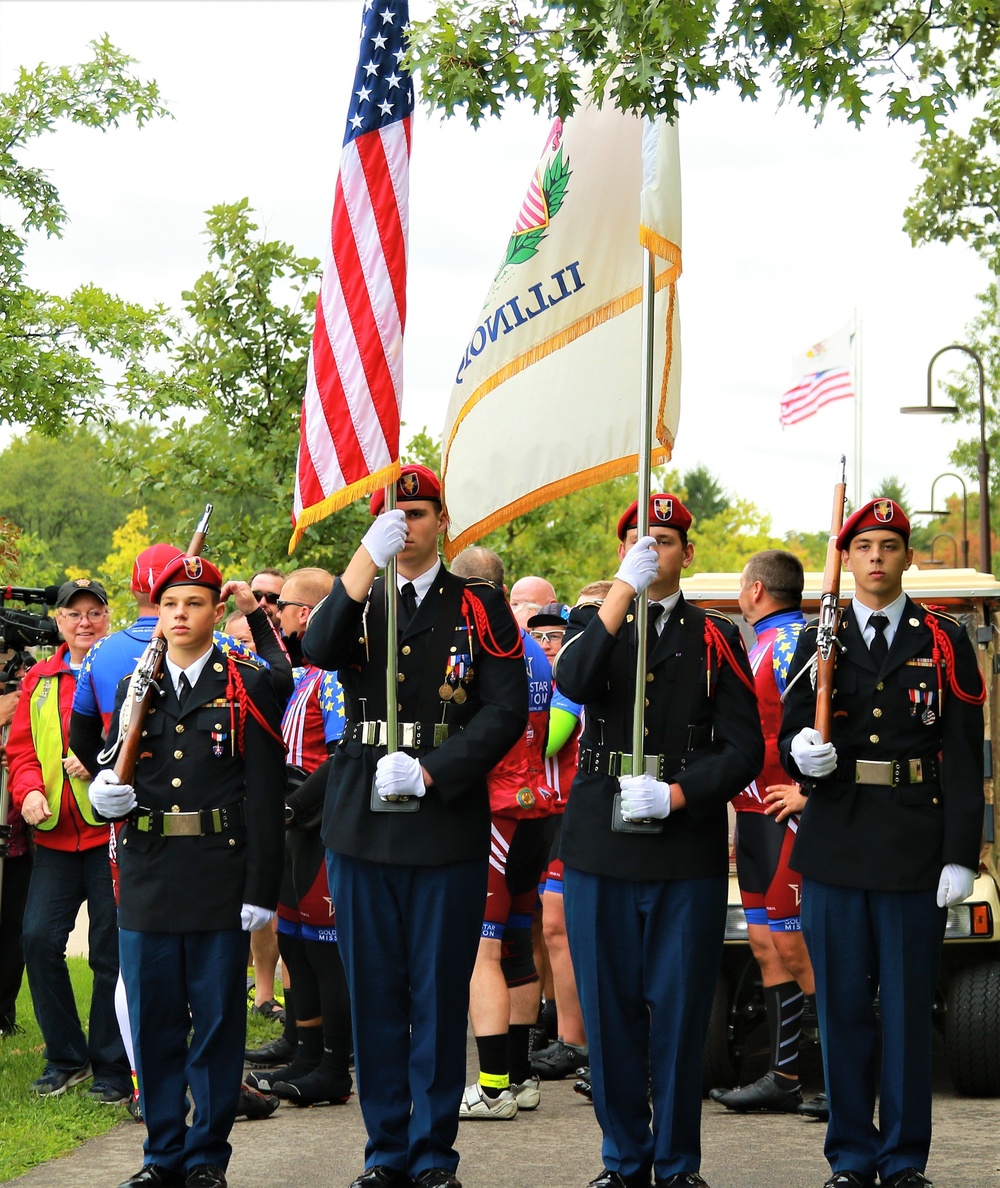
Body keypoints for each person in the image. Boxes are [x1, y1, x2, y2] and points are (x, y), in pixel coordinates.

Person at [303, 464, 527, 1188]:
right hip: (362, 819)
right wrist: (362, 559)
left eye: (421, 514)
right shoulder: (360, 594)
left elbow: (503, 710)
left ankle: (432, 1156)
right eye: (395, 517)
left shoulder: (477, 606)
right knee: (375, 995)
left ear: (442, 521)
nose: (410, 527)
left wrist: (435, 771)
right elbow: (318, 648)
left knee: (435, 995)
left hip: (442, 819)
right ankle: (385, 1152)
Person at [554, 493, 763, 1188]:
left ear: (688, 554)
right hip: (600, 845)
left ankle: (676, 1165)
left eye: (667, 540)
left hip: (682, 845)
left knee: (678, 1014)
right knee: (609, 1014)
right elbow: (574, 681)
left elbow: (744, 749)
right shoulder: (593, 622)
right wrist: (621, 594)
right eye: (641, 540)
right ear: (623, 552)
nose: (655, 550)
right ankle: (623, 1159)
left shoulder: (713, 637)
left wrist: (679, 793)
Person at [778, 498, 985, 1188]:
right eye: (863, 545)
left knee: (902, 1015)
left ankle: (902, 1160)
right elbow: (787, 728)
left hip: (912, 844)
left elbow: (963, 755)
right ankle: (850, 1157)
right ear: (850, 555)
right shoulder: (820, 635)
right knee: (840, 1014)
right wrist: (799, 751)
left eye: (888, 546)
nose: (875, 557)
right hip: (836, 839)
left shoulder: (943, 638)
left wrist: (961, 853)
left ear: (907, 557)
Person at [89, 555, 287, 1188]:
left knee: (217, 1024)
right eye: (170, 603)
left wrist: (261, 889)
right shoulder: (134, 687)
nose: (180, 614)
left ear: (214, 612)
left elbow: (263, 796)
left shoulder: (244, 685)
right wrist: (106, 796)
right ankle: (161, 1154)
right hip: (149, 871)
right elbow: (117, 765)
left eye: (195, 603)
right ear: (158, 611)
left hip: (218, 872)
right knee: (155, 1022)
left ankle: (206, 1157)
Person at [707, 550, 823, 1116]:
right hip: (752, 815)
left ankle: (832, 1077)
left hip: (789, 817)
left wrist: (811, 793)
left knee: (796, 947)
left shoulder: (796, 644)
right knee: (763, 945)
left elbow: (826, 728)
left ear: (755, 590)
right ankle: (783, 1076)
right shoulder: (751, 644)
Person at [7, 578, 131, 1103]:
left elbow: (141, 739)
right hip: (55, 839)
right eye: (73, 614)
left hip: (109, 838)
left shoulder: (124, 668)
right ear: (58, 622)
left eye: (94, 613)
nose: (84, 622)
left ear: (108, 617)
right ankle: (65, 1058)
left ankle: (109, 1065)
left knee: (110, 953)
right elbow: (21, 753)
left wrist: (99, 759)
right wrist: (28, 791)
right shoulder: (38, 678)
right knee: (37, 940)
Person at [449, 547, 555, 1122]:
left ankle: (491, 1088)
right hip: (532, 810)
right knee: (515, 941)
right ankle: (520, 1076)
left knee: (482, 950)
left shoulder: (484, 646)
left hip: (494, 810)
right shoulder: (532, 645)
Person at [246, 566, 354, 1107]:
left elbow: (341, 757)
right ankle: (306, 1051)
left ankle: (336, 1064)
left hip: (318, 825)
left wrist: (292, 808)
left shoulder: (332, 675)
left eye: (281, 605)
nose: (276, 614)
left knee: (324, 950)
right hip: (290, 825)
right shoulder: (300, 672)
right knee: (293, 942)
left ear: (305, 613)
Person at [525, 600, 589, 1081]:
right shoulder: (534, 685)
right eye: (540, 637)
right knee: (543, 928)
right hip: (537, 816)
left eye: (558, 637)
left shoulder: (571, 686)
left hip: (570, 814)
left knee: (558, 927)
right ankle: (549, 1027)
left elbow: (542, 744)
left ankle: (575, 1040)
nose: (549, 645)